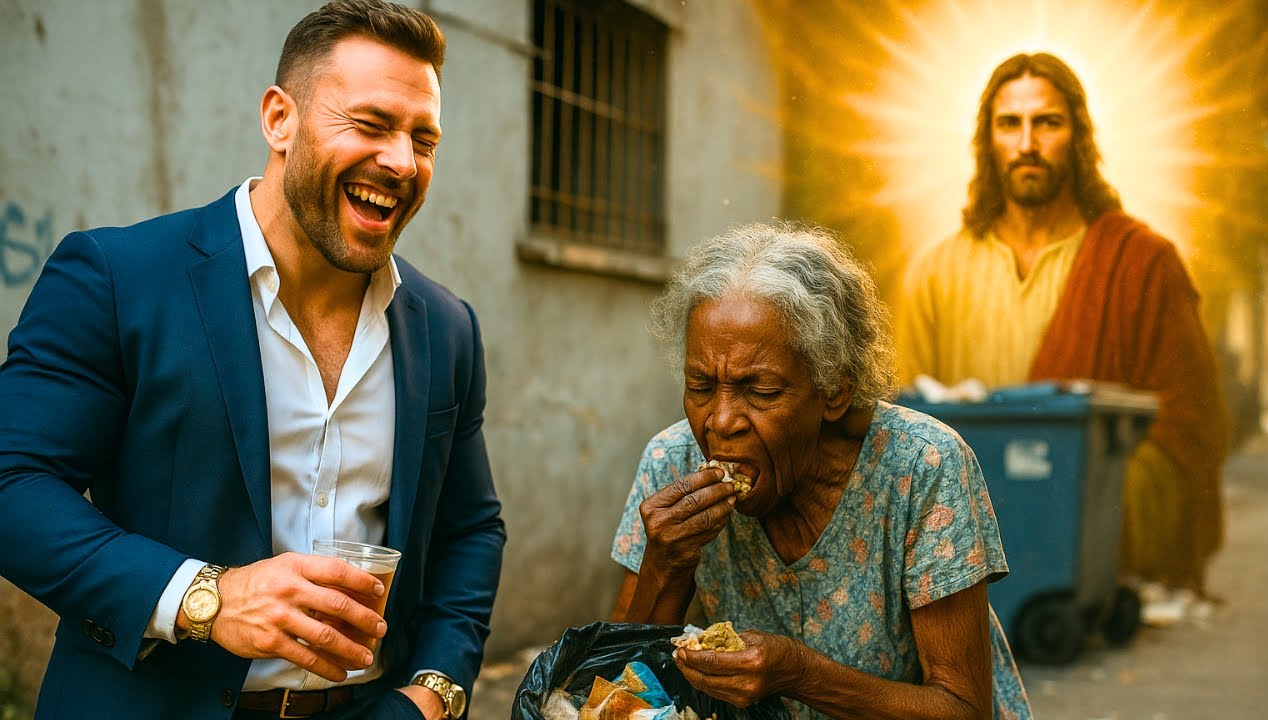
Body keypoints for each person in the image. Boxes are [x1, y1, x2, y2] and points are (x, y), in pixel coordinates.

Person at [0, 2, 504, 718]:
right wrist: (206, 596)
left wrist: (434, 693)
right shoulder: (117, 278)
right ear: (279, 120)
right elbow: (12, 483)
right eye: (370, 124)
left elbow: (469, 529)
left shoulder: (448, 327)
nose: (401, 161)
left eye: (424, 139)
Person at [610, 222, 1032, 719]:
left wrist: (799, 673)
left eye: (760, 391)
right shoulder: (672, 460)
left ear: (834, 391)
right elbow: (622, 690)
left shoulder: (922, 465)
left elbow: (963, 710)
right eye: (701, 386)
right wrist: (664, 565)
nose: (720, 422)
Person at [895, 52, 1228, 603]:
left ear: (1078, 135)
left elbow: (1185, 437)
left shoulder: (1141, 264)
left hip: (1087, 557)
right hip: (960, 561)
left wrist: (1062, 500)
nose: (1028, 142)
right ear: (987, 140)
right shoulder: (935, 272)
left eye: (1047, 122)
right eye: (1010, 124)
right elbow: (906, 434)